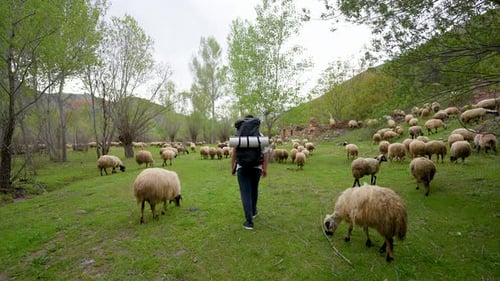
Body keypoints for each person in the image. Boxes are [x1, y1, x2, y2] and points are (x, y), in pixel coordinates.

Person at [231, 115, 269, 230]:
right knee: (254, 189)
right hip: (256, 167)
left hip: (242, 167)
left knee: (245, 193)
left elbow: (234, 153)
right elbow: (266, 154)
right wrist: (264, 168)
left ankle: (249, 222)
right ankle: (253, 212)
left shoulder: (238, 136)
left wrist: (232, 167)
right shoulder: (260, 136)